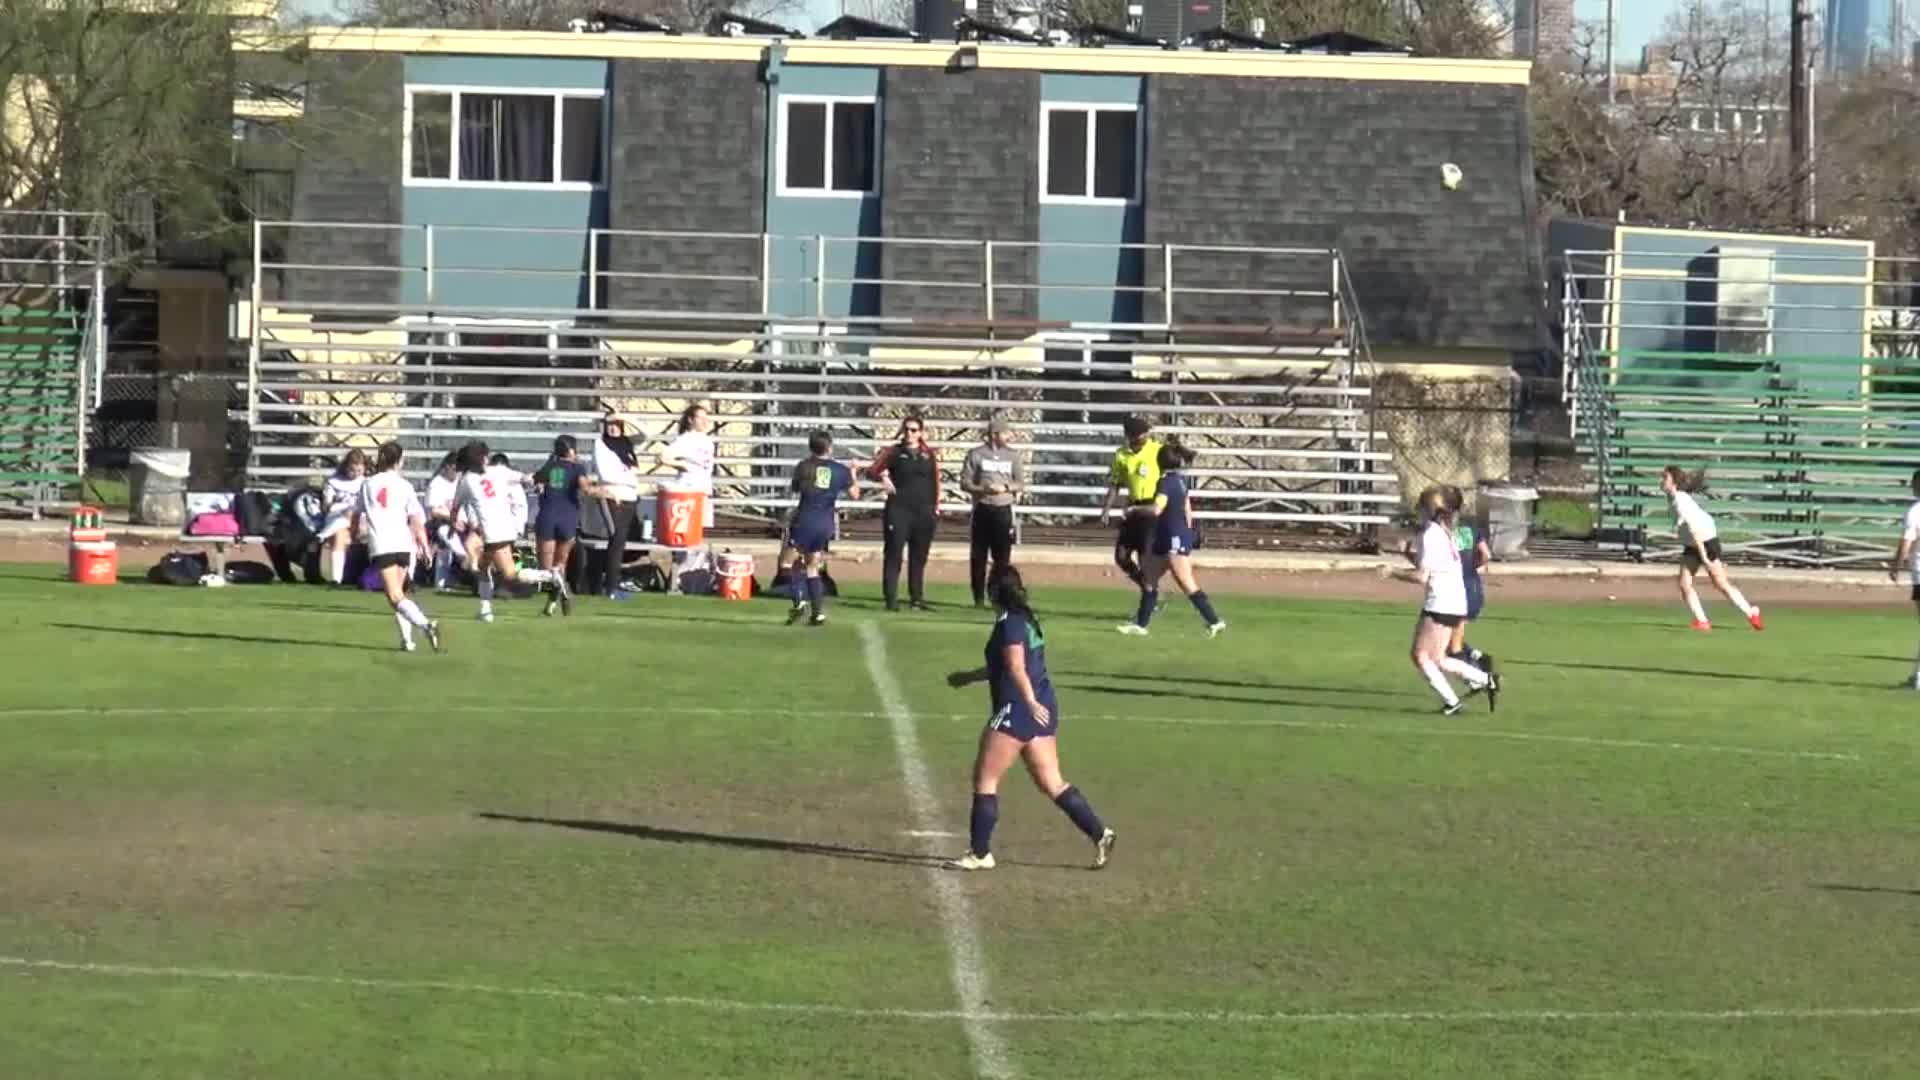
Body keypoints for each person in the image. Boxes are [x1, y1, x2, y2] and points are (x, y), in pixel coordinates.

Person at [944, 565, 1116, 872]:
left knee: (985, 780)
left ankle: (980, 853)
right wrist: (970, 677)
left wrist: (1028, 702)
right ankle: (1100, 833)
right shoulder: (1027, 620)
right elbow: (1007, 665)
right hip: (1042, 706)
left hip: (1019, 709)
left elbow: (1014, 666)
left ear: (993, 591)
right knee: (1052, 782)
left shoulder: (1009, 622)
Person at [1117, 439, 1225, 637]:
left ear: (1159, 463)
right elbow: (1187, 509)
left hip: (1172, 540)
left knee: (1186, 583)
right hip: (1168, 538)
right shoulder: (1180, 481)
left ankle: (1215, 621)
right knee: (1149, 580)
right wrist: (1189, 532)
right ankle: (1141, 625)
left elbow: (1156, 509)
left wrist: (1134, 509)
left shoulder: (1165, 483)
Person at [1405, 485, 1498, 715]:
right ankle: (1485, 680)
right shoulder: (1448, 533)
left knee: (1421, 656)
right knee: (1439, 657)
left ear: (1429, 510)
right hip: (1456, 601)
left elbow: (1422, 576)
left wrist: (1390, 572)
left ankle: (1454, 700)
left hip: (1440, 601)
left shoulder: (1431, 534)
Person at [454, 440, 568, 623]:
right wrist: (542, 473)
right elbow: (527, 478)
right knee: (488, 569)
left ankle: (550, 576)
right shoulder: (499, 471)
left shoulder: (466, 480)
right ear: (483, 457)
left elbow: (456, 506)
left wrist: (454, 523)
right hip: (507, 526)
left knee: (507, 574)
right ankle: (486, 610)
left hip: (492, 532)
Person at [350, 442, 442, 653]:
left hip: (382, 544)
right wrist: (424, 547)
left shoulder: (368, 484)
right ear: (400, 461)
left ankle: (427, 626)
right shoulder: (405, 485)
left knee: (394, 596)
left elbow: (356, 514)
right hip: (403, 544)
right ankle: (407, 641)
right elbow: (416, 521)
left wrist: (355, 533)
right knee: (400, 596)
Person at [1662, 464, 1763, 632]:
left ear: (1674, 482)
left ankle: (1751, 612)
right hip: (1692, 544)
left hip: (1705, 541)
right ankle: (1702, 621)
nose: (1662, 481)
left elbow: (1694, 529)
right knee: (1684, 584)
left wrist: (1704, 555)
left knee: (1721, 584)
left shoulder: (1680, 501)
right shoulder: (1673, 498)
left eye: (1665, 478)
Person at [783, 429, 860, 627]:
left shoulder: (803, 467)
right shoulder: (839, 469)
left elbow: (795, 490)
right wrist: (853, 473)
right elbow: (855, 494)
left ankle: (799, 601)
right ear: (829, 447)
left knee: (786, 563)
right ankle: (817, 613)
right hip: (825, 522)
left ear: (811, 447)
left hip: (805, 519)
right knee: (812, 566)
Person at [867, 413, 942, 611]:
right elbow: (872, 470)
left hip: (923, 512)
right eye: (907, 429)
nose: (910, 433)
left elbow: (935, 481)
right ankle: (891, 599)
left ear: (921, 433)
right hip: (899, 510)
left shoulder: (928, 454)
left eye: (914, 430)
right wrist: (883, 477)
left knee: (919, 557)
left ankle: (916, 598)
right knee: (894, 554)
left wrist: (935, 507)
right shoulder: (893, 452)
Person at [962, 415, 1026, 608]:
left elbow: (1020, 482)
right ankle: (978, 598)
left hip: (1003, 510)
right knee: (978, 556)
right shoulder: (976, 454)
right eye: (1006, 432)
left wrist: (1005, 488)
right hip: (983, 508)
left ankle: (1001, 596)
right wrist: (983, 489)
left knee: (1002, 558)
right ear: (995, 434)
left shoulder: (1013, 456)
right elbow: (965, 482)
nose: (1010, 436)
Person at [1100, 416, 1162, 588]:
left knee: (1145, 555)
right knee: (1121, 556)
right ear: (1132, 436)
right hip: (1133, 508)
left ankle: (1150, 596)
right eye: (1142, 434)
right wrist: (1106, 508)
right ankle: (1148, 588)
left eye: (1146, 433)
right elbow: (1115, 482)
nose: (1146, 437)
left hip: (1152, 508)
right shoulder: (1121, 455)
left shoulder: (1157, 451)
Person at [533, 435, 591, 608]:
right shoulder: (577, 468)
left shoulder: (548, 467)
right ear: (572, 450)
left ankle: (552, 600)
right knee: (560, 564)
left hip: (547, 515)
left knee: (546, 568)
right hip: (567, 516)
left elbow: (536, 484)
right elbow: (585, 488)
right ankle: (558, 599)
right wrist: (605, 491)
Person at [1445, 485, 1495, 676]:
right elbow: (1486, 555)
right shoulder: (1471, 528)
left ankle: (1480, 680)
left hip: (1456, 592)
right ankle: (1478, 657)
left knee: (1453, 646)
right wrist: (1470, 567)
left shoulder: (1442, 530)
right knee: (1445, 636)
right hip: (1473, 587)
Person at [594, 410, 641, 598]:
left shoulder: (627, 444)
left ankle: (613, 584)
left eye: (617, 424)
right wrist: (628, 478)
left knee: (621, 543)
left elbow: (647, 433)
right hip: (614, 496)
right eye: (610, 424)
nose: (613, 428)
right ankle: (611, 587)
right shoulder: (601, 444)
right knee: (616, 541)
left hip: (630, 496)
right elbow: (606, 474)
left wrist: (625, 417)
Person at [316, 448, 368, 585]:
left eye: (359, 470)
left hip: (361, 522)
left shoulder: (367, 483)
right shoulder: (333, 481)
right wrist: (343, 508)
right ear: (346, 467)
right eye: (352, 470)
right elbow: (327, 506)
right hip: (337, 517)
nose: (355, 474)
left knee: (351, 513)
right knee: (339, 532)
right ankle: (336, 579)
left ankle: (322, 535)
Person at [1891, 470, 1920, 689]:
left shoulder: (1915, 511)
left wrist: (1896, 566)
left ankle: (1919, 677)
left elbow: (1906, 542)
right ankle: (1917, 675)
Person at [425, 451, 465, 592]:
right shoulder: (436, 483)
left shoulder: (462, 483)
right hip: (438, 523)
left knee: (446, 543)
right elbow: (434, 511)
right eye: (455, 469)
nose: (457, 473)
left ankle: (444, 581)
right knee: (444, 533)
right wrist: (452, 519)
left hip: (460, 523)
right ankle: (463, 556)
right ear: (447, 466)